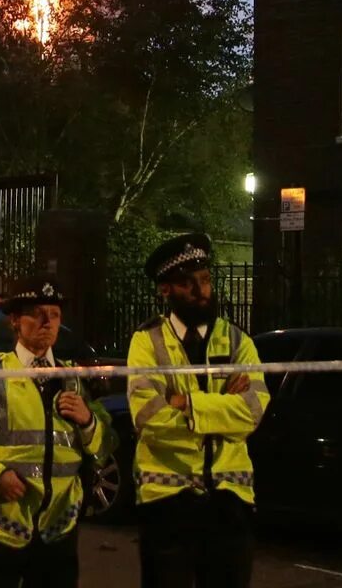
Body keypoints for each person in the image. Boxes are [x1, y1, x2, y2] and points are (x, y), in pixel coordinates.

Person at [0, 277, 112, 588]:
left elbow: (104, 449)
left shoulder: (74, 379)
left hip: (59, 527)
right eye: (36, 313)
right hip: (3, 525)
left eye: (55, 314)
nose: (47, 322)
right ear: (14, 321)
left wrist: (89, 420)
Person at [127, 232, 268, 588]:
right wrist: (222, 407)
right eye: (187, 283)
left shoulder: (239, 341)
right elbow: (148, 419)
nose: (200, 290)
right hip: (167, 501)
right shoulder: (146, 342)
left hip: (230, 500)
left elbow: (252, 413)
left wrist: (186, 402)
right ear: (166, 291)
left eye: (205, 280)